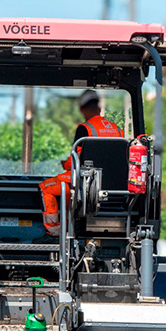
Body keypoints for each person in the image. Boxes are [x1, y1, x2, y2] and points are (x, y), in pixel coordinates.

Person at [38, 89, 122, 236]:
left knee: (46, 187)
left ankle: (54, 231)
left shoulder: (85, 128)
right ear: (99, 107)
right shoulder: (117, 129)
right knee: (66, 186)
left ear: (83, 109)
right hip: (114, 185)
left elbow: (76, 159)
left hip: (87, 182)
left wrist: (65, 165)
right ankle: (68, 225)